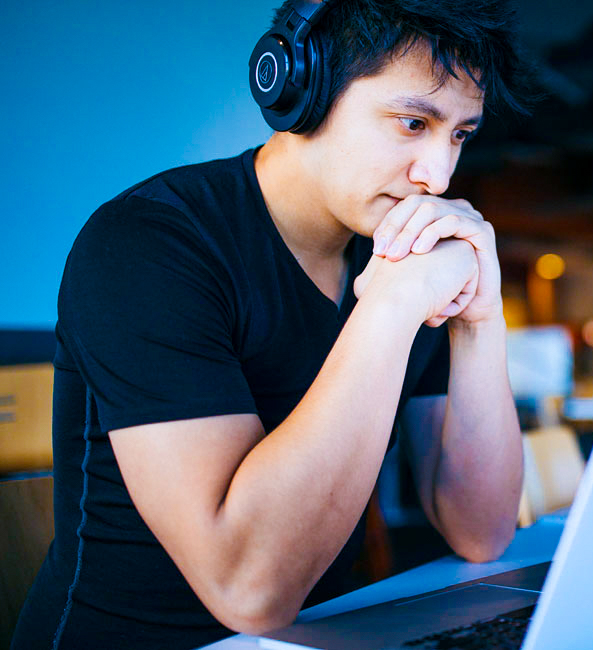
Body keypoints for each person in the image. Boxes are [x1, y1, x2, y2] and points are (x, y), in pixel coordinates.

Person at [13, 1, 533, 647]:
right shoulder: (148, 244)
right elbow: (248, 592)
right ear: (301, 89)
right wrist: (391, 307)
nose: (438, 175)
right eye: (412, 123)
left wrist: (479, 320)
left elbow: (481, 531)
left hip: (315, 637)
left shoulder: (401, 252)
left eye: (459, 135)